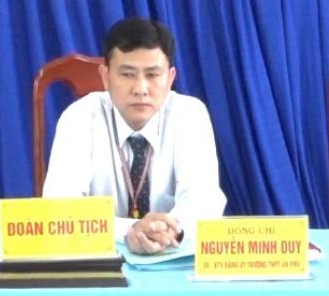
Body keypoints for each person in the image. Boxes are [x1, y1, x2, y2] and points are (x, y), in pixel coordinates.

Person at [42, 17, 226, 254]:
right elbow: (60, 209)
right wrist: (130, 231)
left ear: (170, 78)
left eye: (153, 74)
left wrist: (167, 231)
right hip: (98, 260)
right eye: (127, 74)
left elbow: (203, 201)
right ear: (105, 76)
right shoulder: (79, 118)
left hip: (169, 256)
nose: (140, 89)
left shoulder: (190, 115)